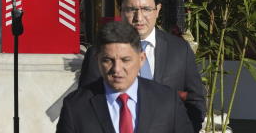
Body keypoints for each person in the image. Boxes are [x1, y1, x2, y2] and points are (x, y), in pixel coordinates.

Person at [79, 0, 205, 132]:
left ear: (157, 9)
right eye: (131, 9)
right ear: (120, 9)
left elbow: (195, 102)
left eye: (146, 9)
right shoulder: (98, 54)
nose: (139, 18)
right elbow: (85, 107)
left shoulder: (179, 50)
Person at [58, 20, 193, 133]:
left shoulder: (167, 101)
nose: (117, 69)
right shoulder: (76, 106)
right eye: (108, 60)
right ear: (97, 60)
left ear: (141, 59)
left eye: (125, 60)